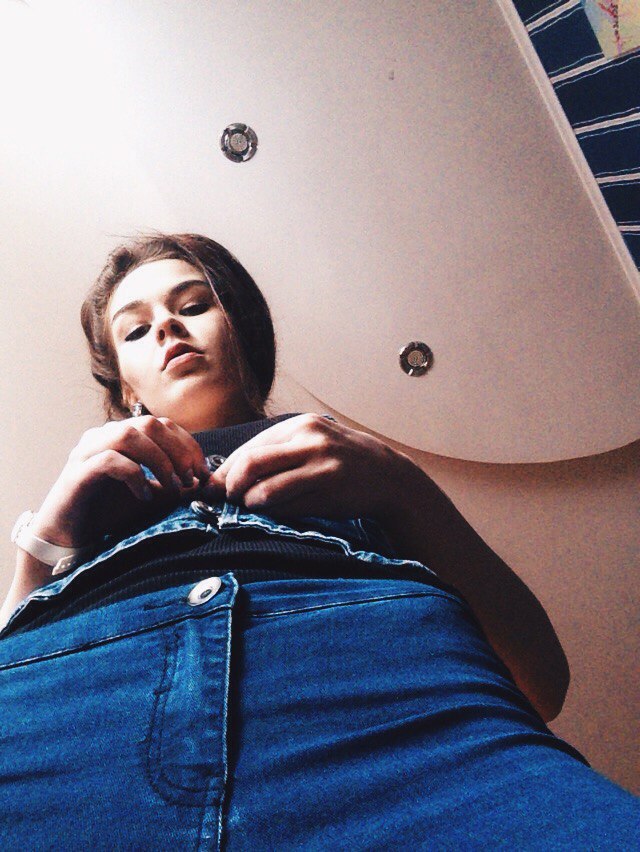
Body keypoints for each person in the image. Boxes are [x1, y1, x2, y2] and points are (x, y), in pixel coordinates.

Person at [0, 232, 637, 850]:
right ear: (126, 389)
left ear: (242, 333)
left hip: (384, 710)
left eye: (193, 306)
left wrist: (401, 485)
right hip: (73, 711)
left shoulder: (350, 463)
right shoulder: (90, 499)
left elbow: (541, 683)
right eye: (136, 330)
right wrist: (43, 545)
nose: (167, 326)